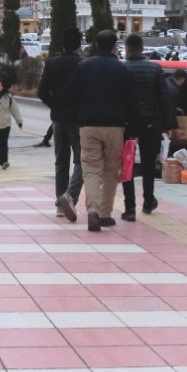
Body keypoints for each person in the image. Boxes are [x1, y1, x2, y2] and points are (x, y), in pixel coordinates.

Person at [65, 29, 136, 231]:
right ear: (115, 47)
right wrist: (131, 127)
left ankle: (93, 211)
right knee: (111, 171)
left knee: (91, 169)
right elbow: (132, 101)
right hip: (116, 127)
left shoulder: (83, 66)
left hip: (89, 126)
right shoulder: (123, 70)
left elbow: (71, 95)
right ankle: (105, 214)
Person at [121, 33, 170, 221]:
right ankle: (148, 201)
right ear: (142, 49)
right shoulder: (155, 69)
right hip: (151, 125)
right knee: (149, 165)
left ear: (127, 49)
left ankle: (129, 208)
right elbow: (163, 99)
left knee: (128, 165)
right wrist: (167, 124)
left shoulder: (122, 69)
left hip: (128, 125)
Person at [38, 28, 85, 221]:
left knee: (61, 160)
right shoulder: (83, 64)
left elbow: (42, 92)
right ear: (79, 44)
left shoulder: (52, 64)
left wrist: (55, 105)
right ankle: (70, 197)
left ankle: (59, 203)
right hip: (78, 119)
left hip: (58, 118)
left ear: (62, 44)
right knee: (81, 160)